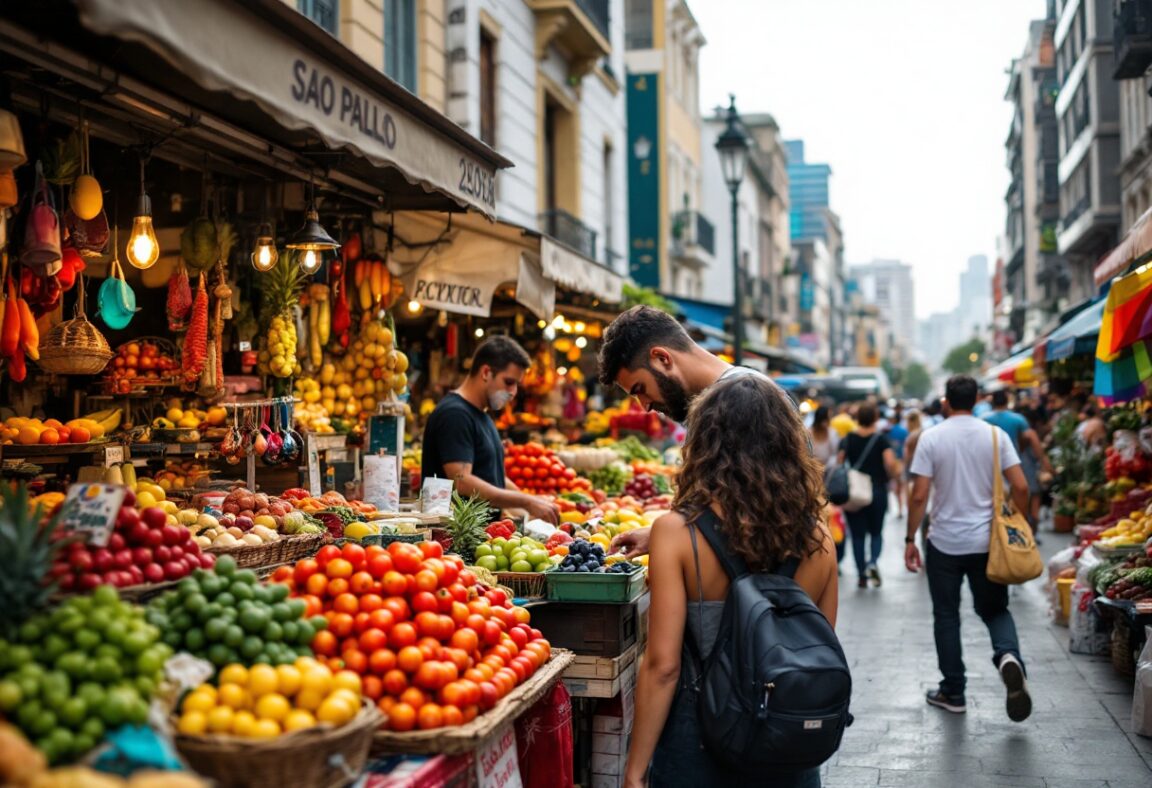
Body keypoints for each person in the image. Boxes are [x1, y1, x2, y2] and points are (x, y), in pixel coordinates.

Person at [623, 374, 837, 788]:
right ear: (786, 444)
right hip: (785, 740)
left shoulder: (674, 533)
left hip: (698, 743)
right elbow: (817, 642)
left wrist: (634, 772)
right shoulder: (819, 536)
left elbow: (663, 667)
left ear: (704, 443)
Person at [597, 305, 783, 558]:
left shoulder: (742, 403)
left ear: (662, 358)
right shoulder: (714, 404)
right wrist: (659, 534)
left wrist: (669, 535)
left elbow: (759, 518)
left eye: (640, 388)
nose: (645, 406)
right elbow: (725, 510)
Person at [904, 375, 1033, 723]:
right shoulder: (995, 435)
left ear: (946, 401)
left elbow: (918, 496)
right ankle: (1008, 656)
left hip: (944, 543)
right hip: (988, 542)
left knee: (946, 616)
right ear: (977, 399)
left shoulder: (931, 438)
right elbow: (1021, 486)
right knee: (994, 610)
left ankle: (954, 691)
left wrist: (909, 539)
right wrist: (1018, 519)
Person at [421, 336, 560, 524]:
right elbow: (462, 481)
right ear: (486, 372)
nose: (513, 392)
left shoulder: (482, 416)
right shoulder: (455, 415)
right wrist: (526, 502)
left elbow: (492, 477)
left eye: (516, 384)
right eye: (509, 382)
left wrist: (534, 505)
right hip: (453, 540)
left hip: (485, 537)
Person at [837, 403, 901, 588]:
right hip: (877, 490)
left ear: (857, 419)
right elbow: (890, 463)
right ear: (875, 418)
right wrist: (893, 476)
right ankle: (872, 562)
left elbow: (840, 462)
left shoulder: (847, 439)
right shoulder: (881, 440)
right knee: (876, 532)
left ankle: (861, 574)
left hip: (854, 493)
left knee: (857, 536)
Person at [983, 390, 1054, 526]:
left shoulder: (984, 419)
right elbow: (1032, 439)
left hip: (991, 468)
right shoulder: (1017, 419)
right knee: (1028, 493)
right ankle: (1025, 525)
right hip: (1016, 464)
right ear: (1006, 401)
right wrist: (1046, 464)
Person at [886, 409, 910, 517]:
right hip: (902, 462)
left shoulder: (887, 431)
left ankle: (900, 508)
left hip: (891, 462)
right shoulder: (904, 431)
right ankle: (903, 508)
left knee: (896, 487)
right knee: (902, 486)